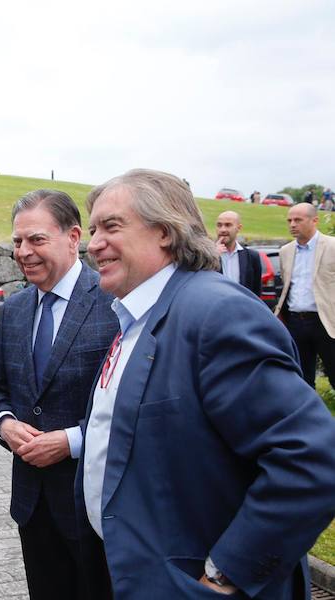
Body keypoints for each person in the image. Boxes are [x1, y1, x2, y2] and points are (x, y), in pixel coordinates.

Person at [79, 169, 335, 599]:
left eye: (111, 226)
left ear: (164, 231)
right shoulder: (136, 316)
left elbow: (313, 459)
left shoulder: (216, 312)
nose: (94, 243)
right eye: (92, 230)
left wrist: (225, 575)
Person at [0, 189, 117, 600]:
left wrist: (71, 441)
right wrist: (5, 424)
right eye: (17, 241)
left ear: (73, 236)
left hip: (95, 505)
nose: (23, 252)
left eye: (36, 239)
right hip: (32, 505)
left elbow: (130, 405)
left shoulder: (115, 302)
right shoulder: (14, 310)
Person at [275, 203, 335, 388]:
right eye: (289, 220)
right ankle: (307, 416)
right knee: (301, 378)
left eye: (298, 220)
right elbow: (287, 287)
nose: (292, 224)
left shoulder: (332, 246)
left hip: (326, 322)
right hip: (296, 322)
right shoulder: (285, 251)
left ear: (314, 220)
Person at [215, 210, 262, 296]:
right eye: (219, 225)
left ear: (239, 228)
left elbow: (256, 291)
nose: (222, 229)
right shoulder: (206, 255)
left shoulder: (252, 256)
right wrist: (213, 256)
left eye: (228, 225)